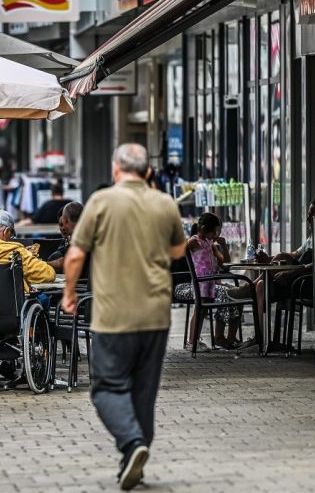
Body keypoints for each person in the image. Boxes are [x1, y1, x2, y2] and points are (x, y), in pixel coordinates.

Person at [62, 143, 186, 491]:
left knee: (107, 387)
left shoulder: (101, 202)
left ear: (116, 169)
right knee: (144, 392)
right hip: (156, 314)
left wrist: (69, 293)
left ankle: (132, 443)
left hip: (113, 315)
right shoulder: (164, 203)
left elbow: (75, 255)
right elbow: (179, 250)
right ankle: (136, 457)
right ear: (147, 171)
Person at [233, 196, 315, 347]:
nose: (308, 219)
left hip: (309, 283)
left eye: (312, 215)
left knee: (281, 258)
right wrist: (269, 258)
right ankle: (260, 338)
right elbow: (296, 254)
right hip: (295, 280)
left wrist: (290, 273)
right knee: (261, 286)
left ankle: (245, 289)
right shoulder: (312, 236)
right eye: (308, 215)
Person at [173, 213, 242, 351]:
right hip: (200, 283)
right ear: (204, 229)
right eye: (214, 231)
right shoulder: (194, 242)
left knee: (236, 295)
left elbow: (224, 264)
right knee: (200, 310)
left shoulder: (210, 244)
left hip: (211, 283)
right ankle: (193, 341)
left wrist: (223, 246)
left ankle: (228, 338)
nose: (216, 234)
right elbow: (181, 249)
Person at [47, 201, 84, 274]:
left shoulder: (80, 238)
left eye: (63, 223)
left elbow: (66, 261)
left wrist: (40, 265)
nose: (63, 228)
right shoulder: (73, 238)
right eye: (60, 225)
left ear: (66, 221)